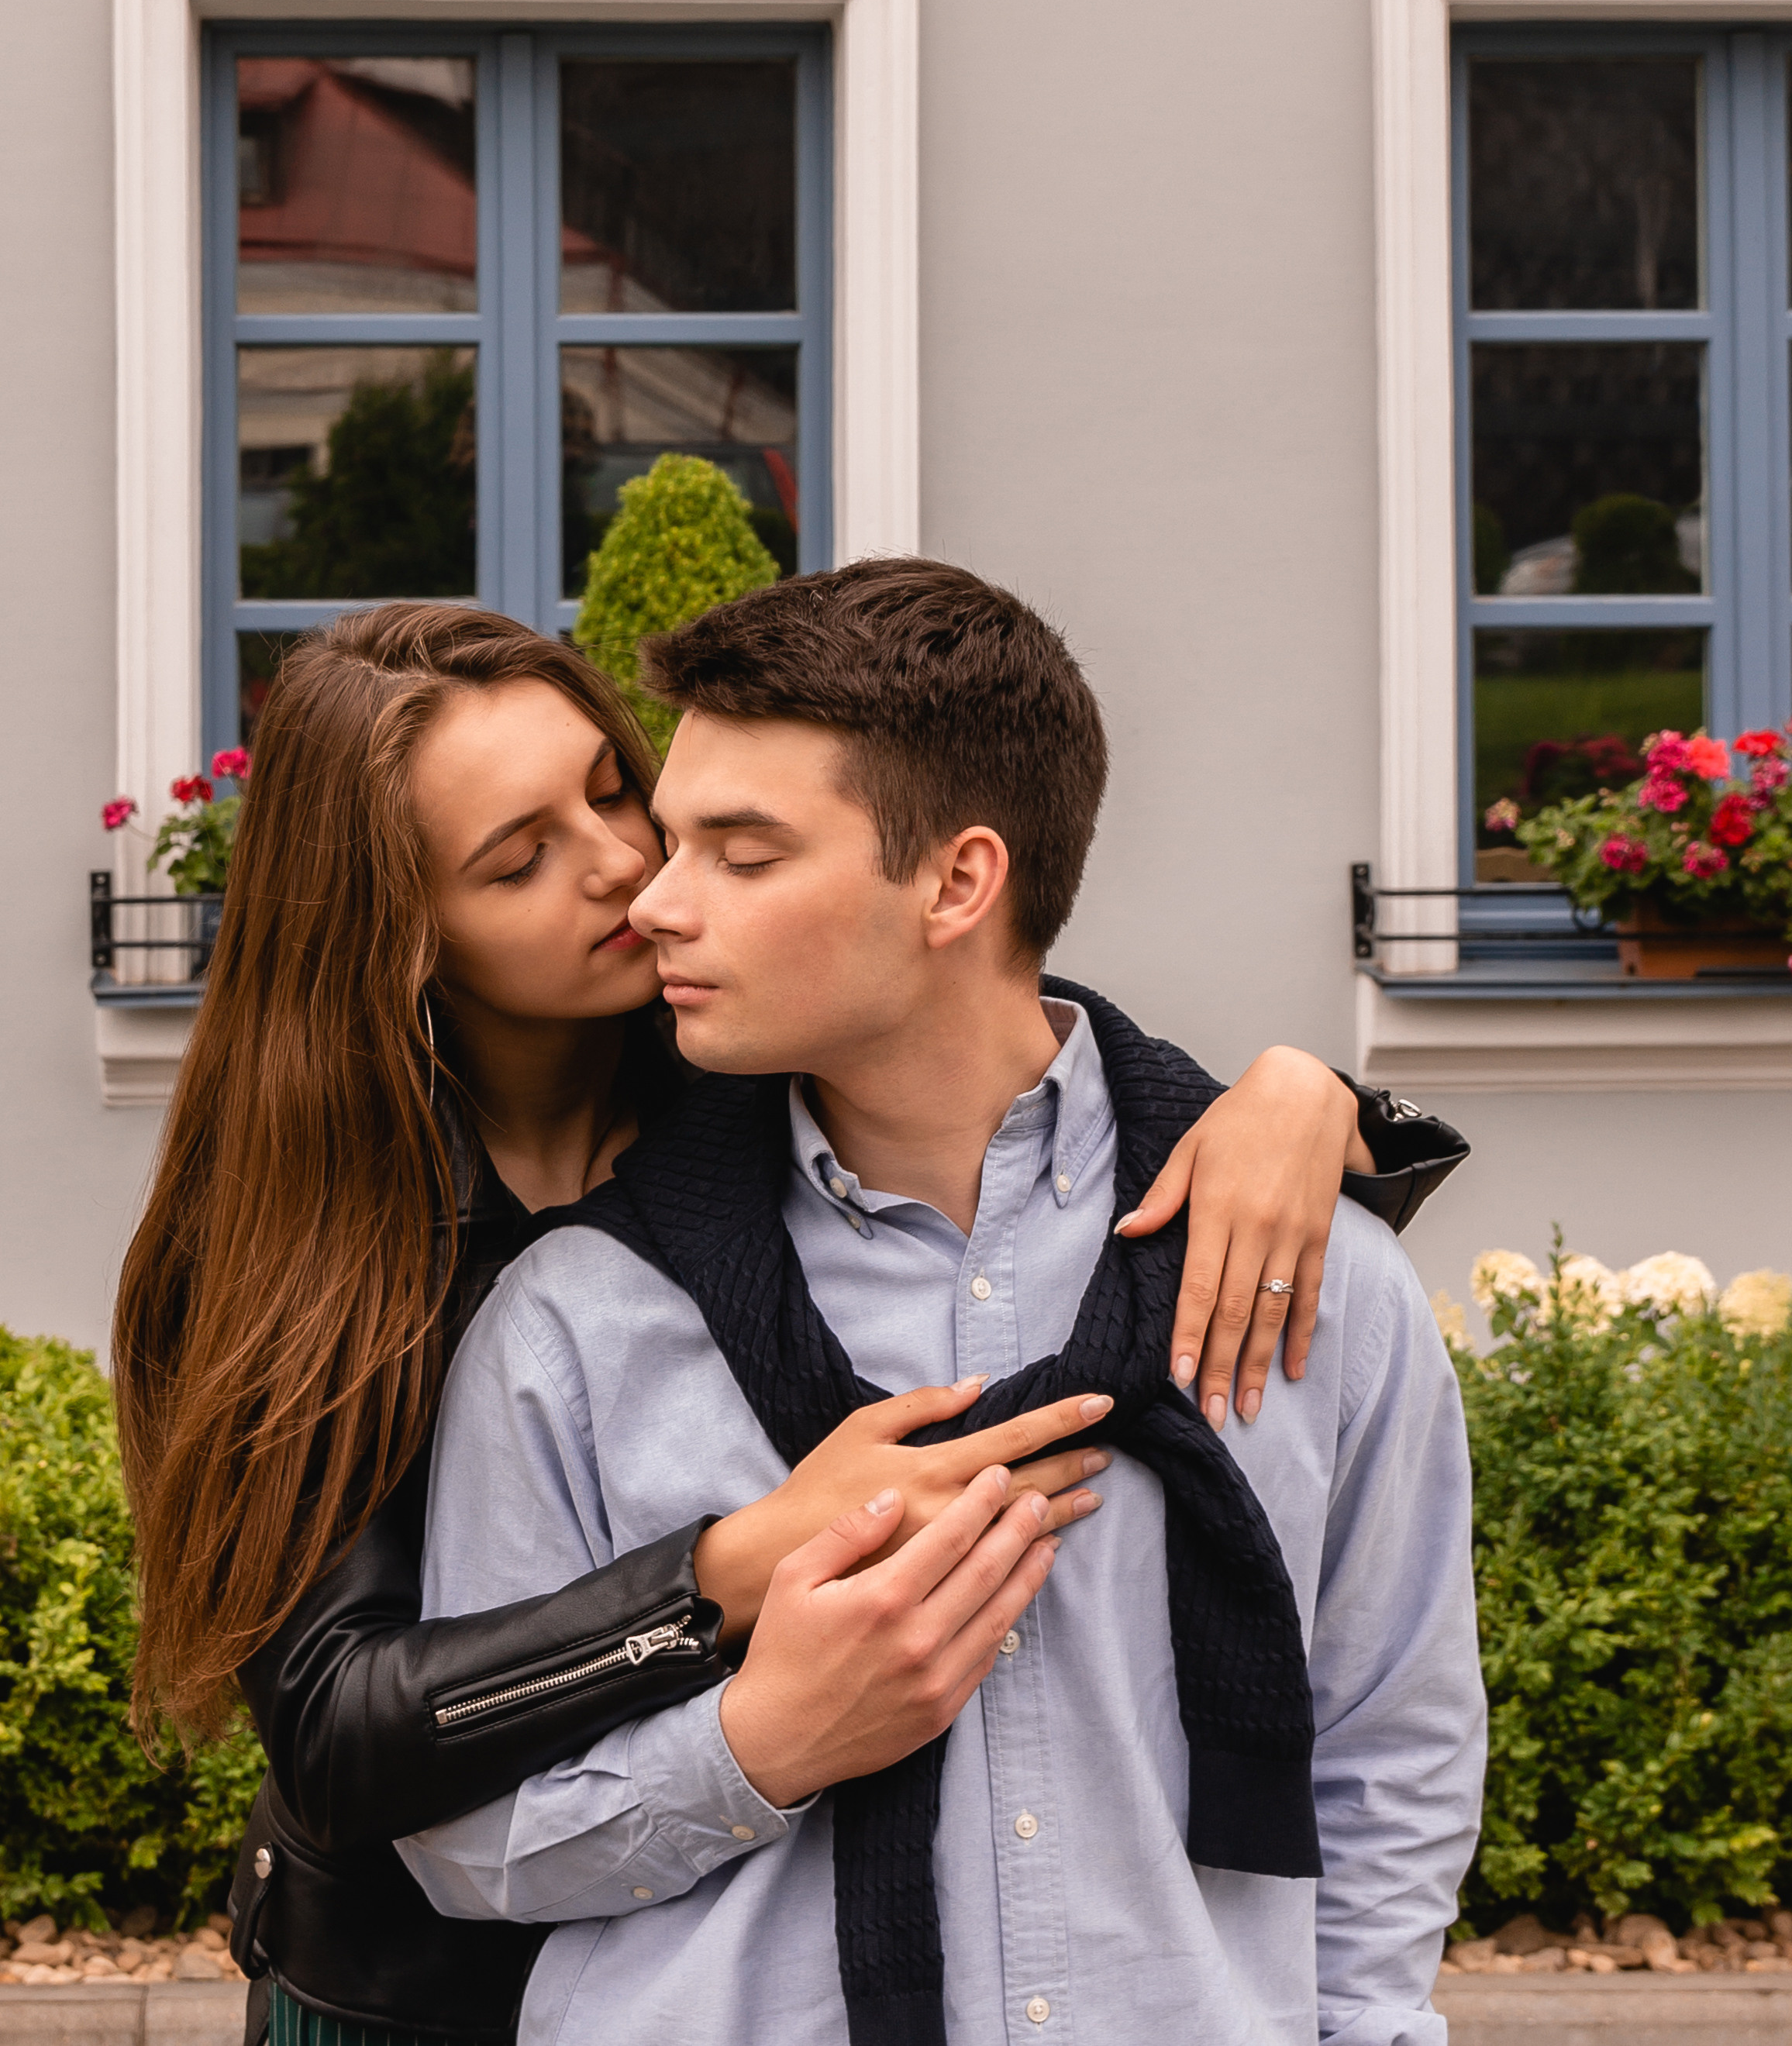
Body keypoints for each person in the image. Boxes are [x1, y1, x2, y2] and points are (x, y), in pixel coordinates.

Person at [109, 601, 1449, 2046]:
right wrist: (742, 1573)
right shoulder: (315, 1241)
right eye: (519, 859)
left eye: (614, 794)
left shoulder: (740, 1061)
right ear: (404, 932)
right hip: (407, 1995)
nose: (630, 874)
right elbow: (337, 1731)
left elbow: (958, 1012)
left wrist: (1308, 1101)